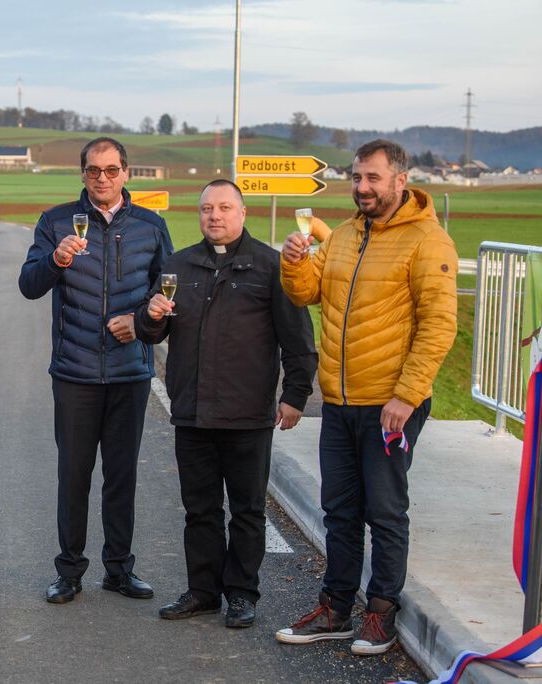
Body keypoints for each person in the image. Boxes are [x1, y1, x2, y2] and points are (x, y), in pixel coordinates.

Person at [274, 139, 458, 655]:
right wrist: (294, 263)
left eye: (373, 178)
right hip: (340, 400)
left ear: (401, 180)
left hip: (390, 403)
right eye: (356, 177)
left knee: (385, 510)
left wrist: (407, 394)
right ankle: (335, 608)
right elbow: (307, 292)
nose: (362, 187)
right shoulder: (346, 234)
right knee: (339, 509)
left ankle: (381, 613)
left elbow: (439, 325)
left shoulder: (428, 240)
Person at [135, 179, 317, 628]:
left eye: (223, 208)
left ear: (242, 213)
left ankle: (241, 593)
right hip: (192, 411)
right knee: (200, 510)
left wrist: (295, 395)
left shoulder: (270, 267)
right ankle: (202, 591)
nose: (214, 216)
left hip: (247, 413)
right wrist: (150, 316)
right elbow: (152, 330)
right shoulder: (178, 265)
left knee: (247, 511)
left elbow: (298, 339)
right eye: (206, 209)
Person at [19, 137, 173, 604]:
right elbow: (28, 285)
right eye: (92, 170)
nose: (101, 178)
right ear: (82, 173)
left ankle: (119, 570)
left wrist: (140, 321)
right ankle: (69, 572)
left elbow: (168, 292)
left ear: (125, 172)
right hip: (75, 373)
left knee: (121, 477)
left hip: (130, 373)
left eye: (110, 170)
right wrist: (56, 259)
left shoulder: (151, 226)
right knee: (74, 477)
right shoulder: (55, 222)